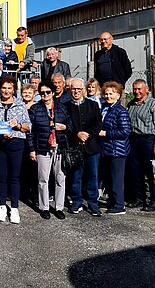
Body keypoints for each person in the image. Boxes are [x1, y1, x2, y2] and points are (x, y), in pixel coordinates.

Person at [0, 77, 31, 224]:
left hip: (16, 143)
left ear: (13, 89)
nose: (6, 91)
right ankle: (1, 206)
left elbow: (28, 127)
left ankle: (14, 207)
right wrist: (1, 133)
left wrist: (18, 125)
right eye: (4, 88)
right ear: (0, 89)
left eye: (9, 88)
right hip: (0, 144)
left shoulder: (20, 105)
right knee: (1, 176)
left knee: (14, 177)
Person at [28, 81, 71, 220]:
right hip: (42, 147)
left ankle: (59, 207)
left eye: (48, 92)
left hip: (59, 147)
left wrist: (64, 127)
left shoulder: (61, 108)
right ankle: (44, 207)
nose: (45, 95)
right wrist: (32, 149)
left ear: (52, 92)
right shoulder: (35, 109)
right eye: (42, 93)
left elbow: (71, 126)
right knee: (43, 179)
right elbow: (30, 132)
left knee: (60, 178)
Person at [126, 79, 155, 212]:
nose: (136, 92)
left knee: (151, 172)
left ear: (146, 89)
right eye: (135, 89)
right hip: (133, 139)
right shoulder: (131, 104)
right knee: (135, 171)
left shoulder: (154, 104)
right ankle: (139, 199)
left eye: (139, 89)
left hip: (148, 140)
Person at [66, 78, 103, 217]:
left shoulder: (93, 105)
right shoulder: (66, 106)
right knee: (76, 176)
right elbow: (66, 125)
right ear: (70, 90)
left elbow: (98, 124)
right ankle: (76, 202)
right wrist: (77, 133)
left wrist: (87, 134)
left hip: (92, 146)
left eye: (79, 89)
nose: (76, 91)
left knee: (93, 176)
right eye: (73, 89)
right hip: (75, 147)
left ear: (83, 90)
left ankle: (93, 204)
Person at [98, 81, 131, 215]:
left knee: (117, 179)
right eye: (106, 94)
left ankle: (119, 205)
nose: (108, 96)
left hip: (118, 150)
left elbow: (125, 132)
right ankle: (113, 201)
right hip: (108, 149)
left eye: (111, 94)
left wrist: (106, 133)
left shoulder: (120, 111)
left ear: (118, 95)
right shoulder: (106, 108)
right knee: (110, 178)